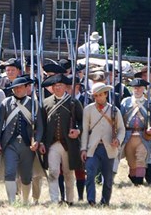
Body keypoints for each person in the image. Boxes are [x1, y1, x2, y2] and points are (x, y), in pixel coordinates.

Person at [0, 76, 44, 204]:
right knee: (10, 172)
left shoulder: (33, 104)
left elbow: (39, 126)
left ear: (26, 88)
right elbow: (0, 124)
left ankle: (25, 201)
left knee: (26, 176)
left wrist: (37, 141)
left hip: (27, 144)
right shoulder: (6, 103)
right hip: (10, 144)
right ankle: (12, 201)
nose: (17, 90)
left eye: (20, 87)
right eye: (15, 88)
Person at [41, 74, 83, 205]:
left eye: (60, 85)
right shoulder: (46, 103)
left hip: (69, 144)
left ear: (65, 87)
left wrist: (78, 131)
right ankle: (54, 200)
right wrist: (41, 142)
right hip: (52, 143)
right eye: (55, 86)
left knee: (68, 174)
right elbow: (41, 125)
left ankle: (70, 200)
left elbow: (82, 122)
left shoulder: (74, 102)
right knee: (53, 172)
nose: (57, 88)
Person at [81, 83, 125, 206]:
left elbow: (121, 129)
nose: (98, 98)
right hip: (92, 148)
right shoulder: (88, 110)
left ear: (106, 94)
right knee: (90, 174)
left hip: (109, 148)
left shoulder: (114, 110)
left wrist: (118, 140)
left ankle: (105, 201)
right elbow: (85, 131)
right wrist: (83, 149)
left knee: (108, 178)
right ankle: (91, 200)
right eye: (95, 96)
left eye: (100, 95)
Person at [119, 78, 151, 186]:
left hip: (143, 136)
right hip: (128, 136)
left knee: (141, 160)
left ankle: (139, 182)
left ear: (144, 89)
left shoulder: (148, 103)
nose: (137, 90)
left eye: (139, 88)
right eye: (135, 88)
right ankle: (134, 180)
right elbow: (119, 119)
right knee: (131, 162)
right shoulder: (125, 102)